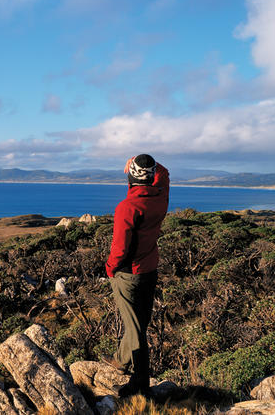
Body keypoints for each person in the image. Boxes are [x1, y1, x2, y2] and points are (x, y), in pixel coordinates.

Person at [104, 153, 169, 397]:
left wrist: (111, 267)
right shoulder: (160, 198)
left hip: (128, 274)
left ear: (130, 176)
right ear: (152, 177)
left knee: (134, 328)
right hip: (150, 269)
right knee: (139, 320)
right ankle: (121, 360)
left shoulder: (127, 207)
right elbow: (165, 175)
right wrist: (146, 162)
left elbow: (120, 248)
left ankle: (140, 383)